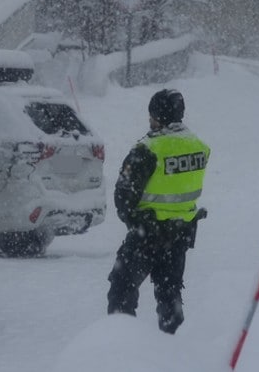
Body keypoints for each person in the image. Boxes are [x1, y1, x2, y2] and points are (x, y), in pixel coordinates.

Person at [107, 89, 210, 334]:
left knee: (121, 289)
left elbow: (123, 197)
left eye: (151, 115)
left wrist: (137, 224)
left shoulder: (147, 150)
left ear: (158, 116)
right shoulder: (198, 146)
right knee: (169, 293)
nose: (149, 121)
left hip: (147, 234)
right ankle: (170, 349)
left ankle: (121, 347)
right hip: (180, 233)